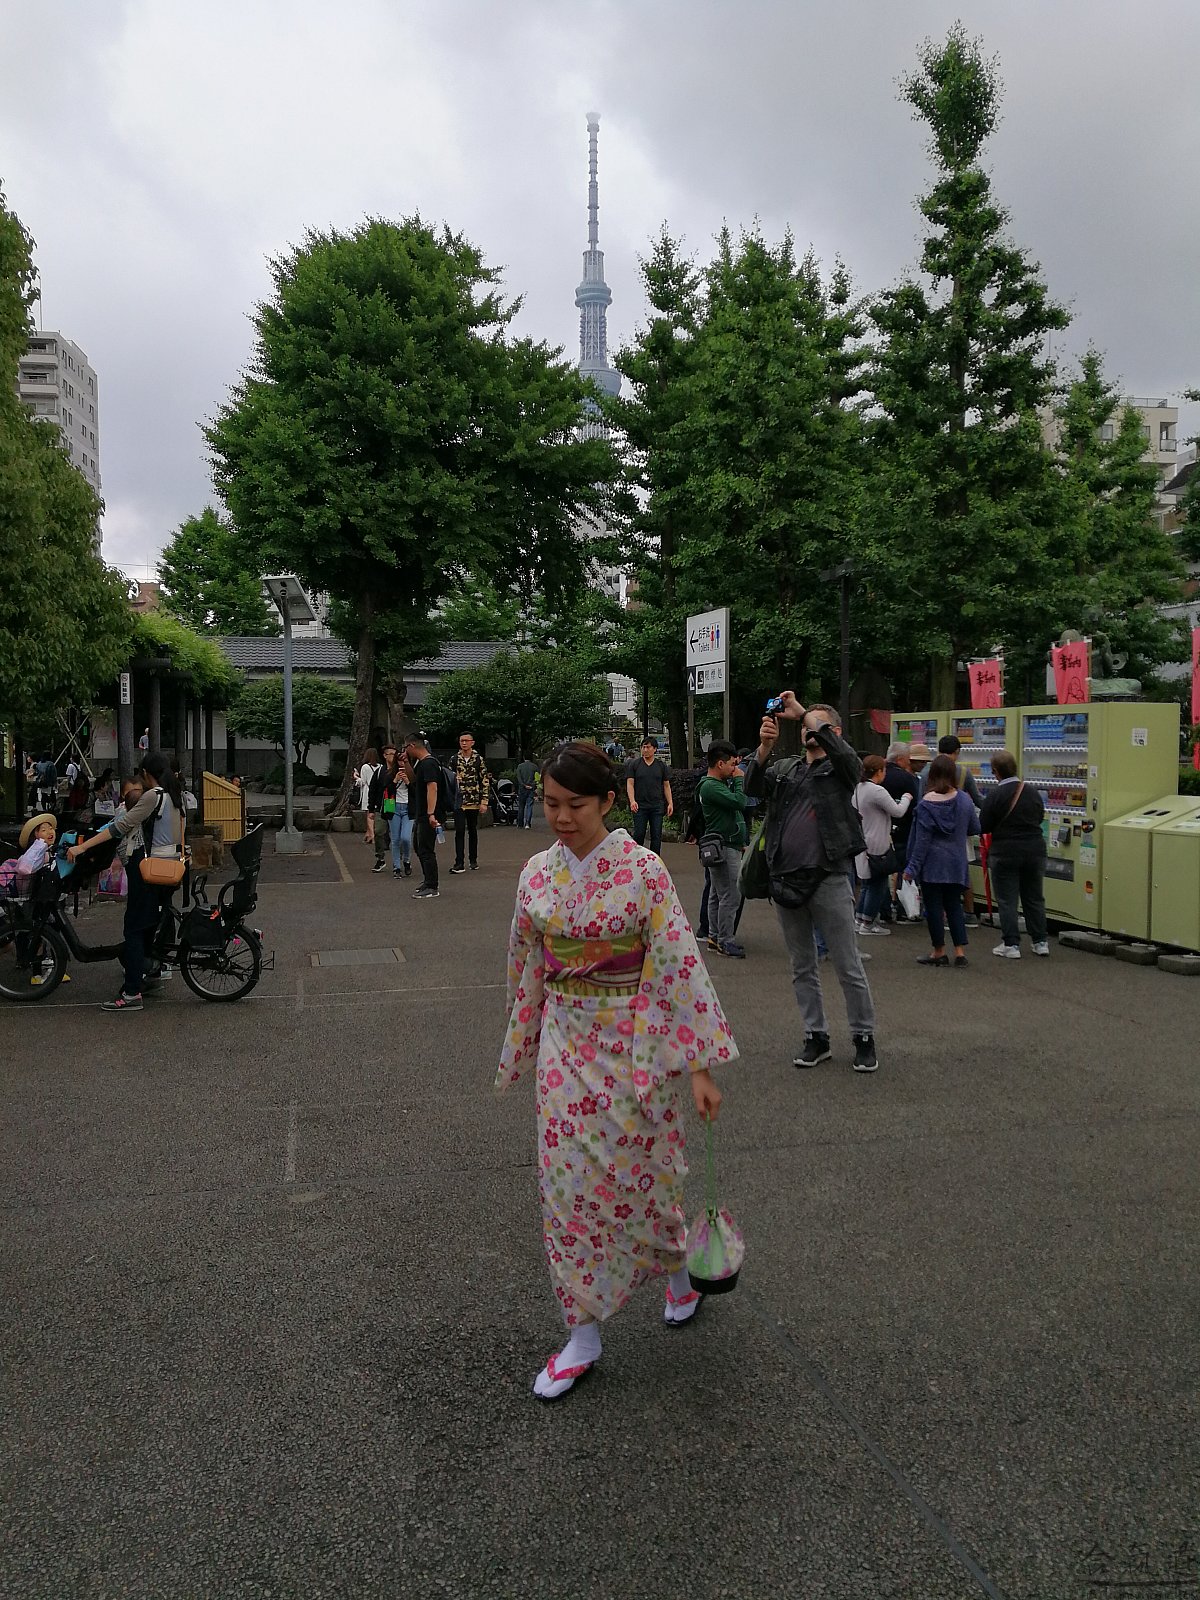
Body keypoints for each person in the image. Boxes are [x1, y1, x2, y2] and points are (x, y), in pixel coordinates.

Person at [497, 741, 736, 1402]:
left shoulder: (644, 870)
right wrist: (526, 1032)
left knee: (649, 1175)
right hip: (565, 1046)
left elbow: (679, 963)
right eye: (551, 803)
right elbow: (526, 959)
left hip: (635, 1046)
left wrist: (699, 1067)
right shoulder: (536, 873)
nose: (561, 817)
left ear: (608, 800)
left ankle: (680, 1277)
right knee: (566, 1189)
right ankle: (582, 1334)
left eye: (575, 804)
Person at [743, 695, 878, 1074]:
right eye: (804, 727)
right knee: (802, 966)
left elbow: (850, 760)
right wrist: (764, 748)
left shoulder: (841, 770)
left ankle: (863, 1036)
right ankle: (815, 1036)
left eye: (815, 726)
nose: (807, 731)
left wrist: (804, 713)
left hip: (829, 877)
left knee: (848, 965)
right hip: (785, 878)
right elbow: (752, 789)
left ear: (834, 732)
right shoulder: (788, 768)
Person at [68, 752, 185, 1011]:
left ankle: (131, 993)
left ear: (145, 773)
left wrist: (82, 847)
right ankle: (148, 976)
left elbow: (119, 826)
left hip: (148, 872)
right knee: (147, 926)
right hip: (169, 870)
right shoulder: (176, 796)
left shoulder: (154, 796)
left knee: (133, 929)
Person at [904, 753, 980, 969]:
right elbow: (975, 827)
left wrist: (911, 868)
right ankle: (960, 952)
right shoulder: (964, 800)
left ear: (932, 775)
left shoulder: (926, 805)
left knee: (934, 909)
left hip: (933, 865)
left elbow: (921, 842)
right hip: (957, 862)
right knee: (954, 905)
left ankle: (939, 951)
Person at [980, 750, 1050, 959]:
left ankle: (1011, 944)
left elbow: (984, 825)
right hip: (1035, 849)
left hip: (1005, 851)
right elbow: (1040, 816)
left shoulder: (995, 795)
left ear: (995, 771)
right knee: (1034, 897)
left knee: (1007, 899)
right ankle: (1040, 941)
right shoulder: (1032, 792)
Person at [921, 734, 983, 926]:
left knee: (934, 875)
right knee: (963, 872)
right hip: (959, 832)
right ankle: (969, 913)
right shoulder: (963, 772)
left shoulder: (926, 772)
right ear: (957, 752)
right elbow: (978, 800)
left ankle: (938, 915)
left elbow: (919, 802)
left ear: (938, 750)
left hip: (932, 832)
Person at [696, 739, 750, 959]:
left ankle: (714, 936)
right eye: (732, 764)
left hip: (725, 844)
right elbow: (740, 802)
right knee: (730, 895)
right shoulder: (711, 786)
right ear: (720, 764)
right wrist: (739, 781)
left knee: (717, 894)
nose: (735, 769)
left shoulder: (713, 784)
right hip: (725, 846)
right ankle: (725, 941)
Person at [853, 755, 912, 936]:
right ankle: (869, 923)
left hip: (863, 840)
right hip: (878, 843)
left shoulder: (858, 788)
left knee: (867, 883)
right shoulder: (877, 791)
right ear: (879, 771)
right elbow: (898, 811)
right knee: (877, 884)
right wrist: (906, 798)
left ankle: (859, 919)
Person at [403, 732, 446, 899]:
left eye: (406, 747)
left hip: (429, 814)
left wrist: (431, 813)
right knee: (419, 847)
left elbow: (432, 787)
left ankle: (432, 886)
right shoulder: (422, 764)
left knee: (426, 849)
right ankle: (428, 881)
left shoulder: (429, 763)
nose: (405, 750)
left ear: (412, 745)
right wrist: (405, 763)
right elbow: (413, 780)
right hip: (422, 813)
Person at [882, 744, 921, 918]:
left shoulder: (879, 775)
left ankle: (884, 909)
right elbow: (915, 807)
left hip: (881, 830)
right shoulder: (907, 779)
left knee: (881, 871)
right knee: (903, 868)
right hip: (905, 830)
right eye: (907, 759)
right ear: (900, 759)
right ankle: (903, 908)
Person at [449, 731, 491, 875]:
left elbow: (484, 780)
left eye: (466, 740)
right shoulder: (454, 759)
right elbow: (448, 778)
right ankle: (459, 862)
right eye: (462, 741)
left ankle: (473, 859)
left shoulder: (478, 759)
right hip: (459, 800)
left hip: (474, 800)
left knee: (472, 830)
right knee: (459, 831)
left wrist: (484, 801)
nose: (464, 743)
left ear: (472, 743)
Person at [369, 747, 412, 879]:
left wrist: (408, 782)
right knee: (394, 838)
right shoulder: (386, 773)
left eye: (404, 761)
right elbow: (384, 790)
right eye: (399, 761)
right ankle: (396, 867)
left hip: (408, 807)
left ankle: (406, 860)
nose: (401, 764)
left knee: (406, 838)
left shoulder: (412, 773)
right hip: (391, 805)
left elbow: (417, 791)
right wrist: (395, 780)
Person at [624, 738, 673, 854]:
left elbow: (666, 785)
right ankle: (636, 858)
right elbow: (630, 784)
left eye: (648, 747)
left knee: (656, 835)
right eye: (643, 747)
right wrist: (632, 801)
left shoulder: (661, 766)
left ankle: (655, 859)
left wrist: (670, 803)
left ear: (654, 749)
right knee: (639, 834)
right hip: (640, 805)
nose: (645, 750)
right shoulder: (635, 764)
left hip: (656, 805)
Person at [357, 747, 379, 843]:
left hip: (368, 791)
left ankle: (372, 834)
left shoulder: (365, 767)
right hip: (378, 792)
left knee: (369, 814)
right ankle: (368, 834)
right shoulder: (381, 766)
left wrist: (356, 777)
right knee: (376, 813)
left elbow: (362, 782)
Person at [515, 752, 537, 831]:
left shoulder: (520, 766)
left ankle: (520, 823)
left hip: (522, 789)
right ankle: (527, 823)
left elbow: (518, 778)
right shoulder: (535, 767)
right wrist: (532, 785)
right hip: (531, 788)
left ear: (524, 757)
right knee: (529, 806)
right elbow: (537, 778)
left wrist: (523, 785)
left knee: (521, 806)